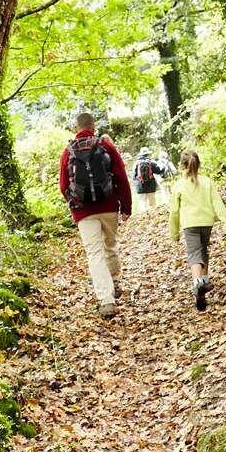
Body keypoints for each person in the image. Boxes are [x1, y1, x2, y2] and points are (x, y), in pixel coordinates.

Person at [59, 114, 132, 318]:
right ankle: (115, 281)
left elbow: (63, 185)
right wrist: (126, 206)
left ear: (76, 128)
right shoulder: (106, 145)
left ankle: (106, 300)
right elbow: (121, 177)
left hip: (83, 212)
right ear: (93, 126)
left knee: (94, 254)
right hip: (108, 206)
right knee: (110, 245)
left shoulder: (68, 151)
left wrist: (75, 204)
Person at [169, 150, 226, 311]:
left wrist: (174, 232)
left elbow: (174, 211)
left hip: (189, 223)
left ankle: (198, 284)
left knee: (194, 253)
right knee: (203, 250)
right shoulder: (207, 182)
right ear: (198, 164)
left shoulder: (179, 185)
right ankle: (204, 279)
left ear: (181, 166)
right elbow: (218, 203)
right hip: (206, 222)